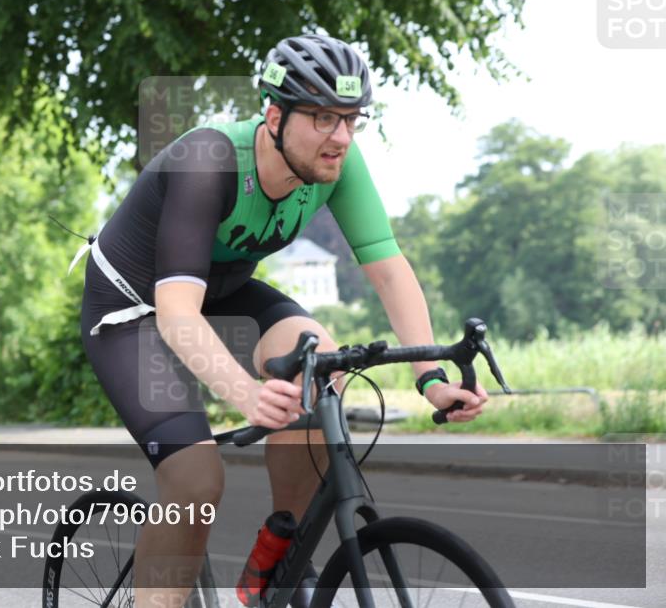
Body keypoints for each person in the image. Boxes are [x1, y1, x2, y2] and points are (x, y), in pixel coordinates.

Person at [73, 34, 490, 607]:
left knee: (323, 368)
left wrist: (431, 379)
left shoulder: (338, 165)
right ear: (274, 115)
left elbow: (389, 270)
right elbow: (175, 312)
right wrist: (244, 391)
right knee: (195, 482)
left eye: (351, 120)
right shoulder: (210, 161)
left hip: (224, 291)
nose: (341, 137)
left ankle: (275, 562)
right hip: (133, 308)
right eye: (323, 118)